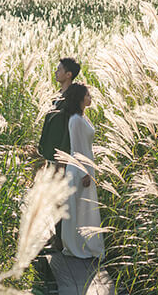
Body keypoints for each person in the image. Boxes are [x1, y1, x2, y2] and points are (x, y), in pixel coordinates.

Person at [32, 57, 80, 295]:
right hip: (53, 156)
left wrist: (63, 159)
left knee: (60, 197)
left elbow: (72, 129)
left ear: (69, 74)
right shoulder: (60, 96)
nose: (56, 71)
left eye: (60, 69)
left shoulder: (72, 98)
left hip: (62, 157)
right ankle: (57, 236)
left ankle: (60, 240)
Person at [51, 82, 105, 295]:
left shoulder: (83, 117)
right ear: (80, 98)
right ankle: (76, 247)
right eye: (88, 94)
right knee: (79, 210)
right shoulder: (74, 120)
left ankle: (86, 245)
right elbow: (76, 149)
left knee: (85, 210)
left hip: (85, 169)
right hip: (79, 170)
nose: (90, 97)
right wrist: (84, 172)